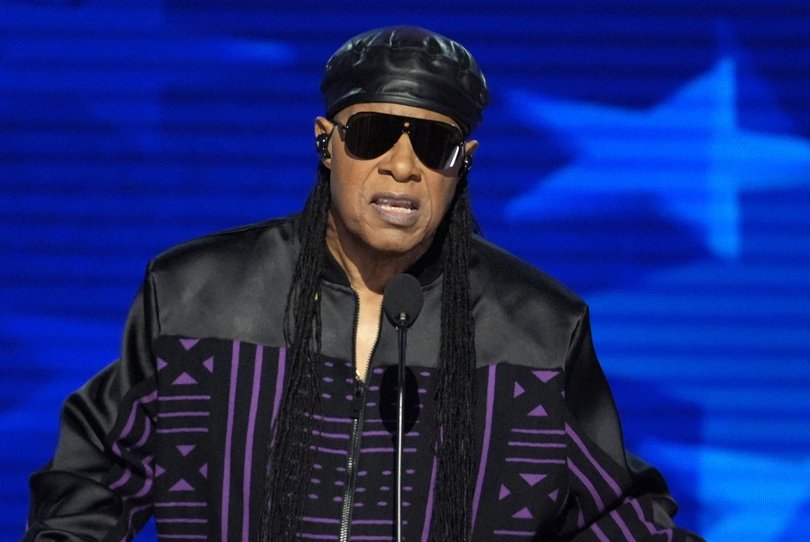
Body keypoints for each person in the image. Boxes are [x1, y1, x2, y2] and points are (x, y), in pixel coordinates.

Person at [24, 26, 703, 541]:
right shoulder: (197, 293)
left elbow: (617, 518)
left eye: (432, 146)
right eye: (375, 133)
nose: (402, 166)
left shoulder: (537, 327)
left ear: (463, 166)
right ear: (327, 142)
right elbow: (92, 484)